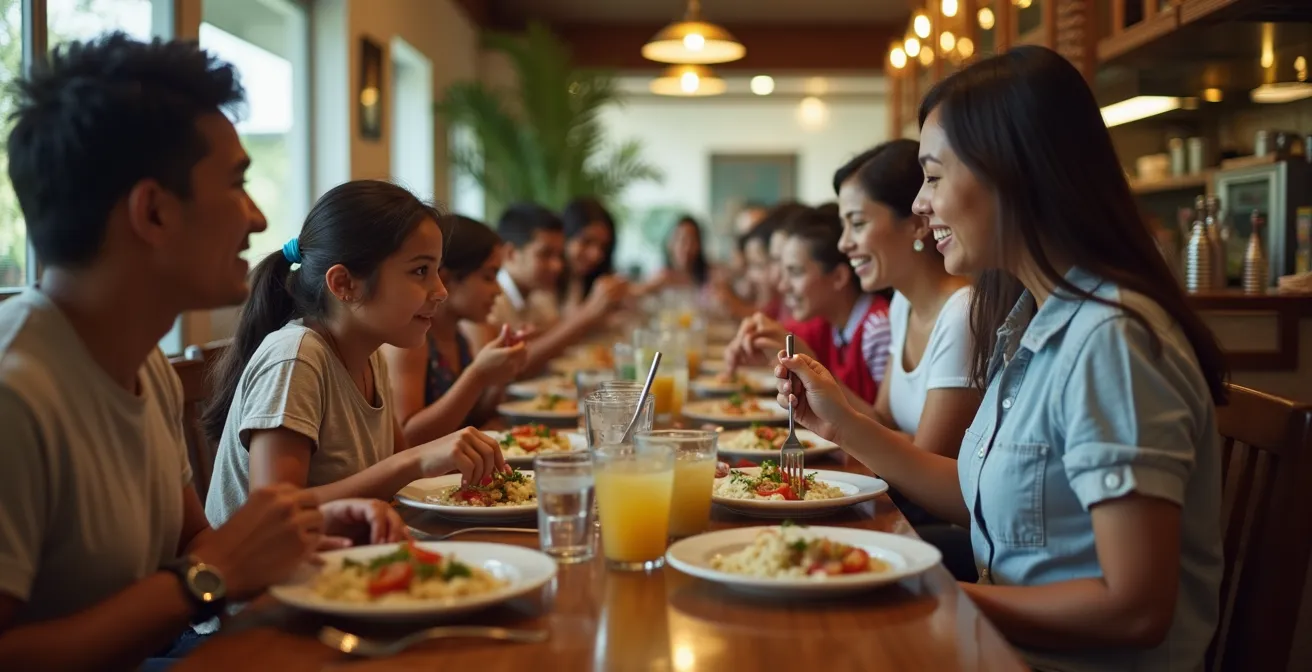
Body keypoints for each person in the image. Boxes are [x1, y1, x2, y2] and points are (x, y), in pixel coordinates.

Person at [776, 46, 1225, 672]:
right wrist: (842, 423)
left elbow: (1134, 609)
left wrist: (924, 591)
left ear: (1011, 175)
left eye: (934, 177)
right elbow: (979, 495)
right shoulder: (1031, 321)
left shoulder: (1111, 342)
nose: (919, 204)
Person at [0, 33, 406, 670]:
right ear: (154, 213)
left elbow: (196, 543)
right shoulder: (17, 392)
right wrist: (204, 577)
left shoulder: (142, 364)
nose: (258, 219)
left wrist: (302, 533)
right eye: (237, 184)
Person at [202, 181, 508, 527]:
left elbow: (397, 479)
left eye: (437, 270)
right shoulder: (296, 359)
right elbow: (276, 512)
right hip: (267, 563)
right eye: (421, 271)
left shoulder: (370, 356)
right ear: (344, 284)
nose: (440, 291)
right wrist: (415, 460)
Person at [833, 140, 980, 579]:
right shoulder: (902, 305)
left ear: (917, 224)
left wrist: (844, 423)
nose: (844, 243)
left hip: (953, 538)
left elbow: (921, 467)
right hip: (910, 513)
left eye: (858, 223)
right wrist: (813, 372)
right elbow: (881, 419)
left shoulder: (962, 312)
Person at [384, 215, 527, 446]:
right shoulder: (412, 340)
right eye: (488, 277)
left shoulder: (458, 337)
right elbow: (407, 439)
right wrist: (477, 376)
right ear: (447, 279)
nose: (498, 291)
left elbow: (468, 418)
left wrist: (499, 376)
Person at [731, 208, 892, 404]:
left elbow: (884, 422)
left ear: (838, 277)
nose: (783, 285)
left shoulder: (877, 329)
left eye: (796, 272)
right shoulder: (830, 324)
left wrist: (812, 368)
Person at [483, 202, 627, 374]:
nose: (557, 266)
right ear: (511, 254)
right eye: (545, 254)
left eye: (559, 255)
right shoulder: (490, 301)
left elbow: (554, 344)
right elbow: (502, 373)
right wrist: (588, 312)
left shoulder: (539, 298)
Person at [557, 196, 618, 319]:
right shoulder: (542, 285)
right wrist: (593, 308)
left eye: (603, 247)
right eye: (586, 241)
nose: (596, 255)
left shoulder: (581, 280)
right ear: (563, 237)